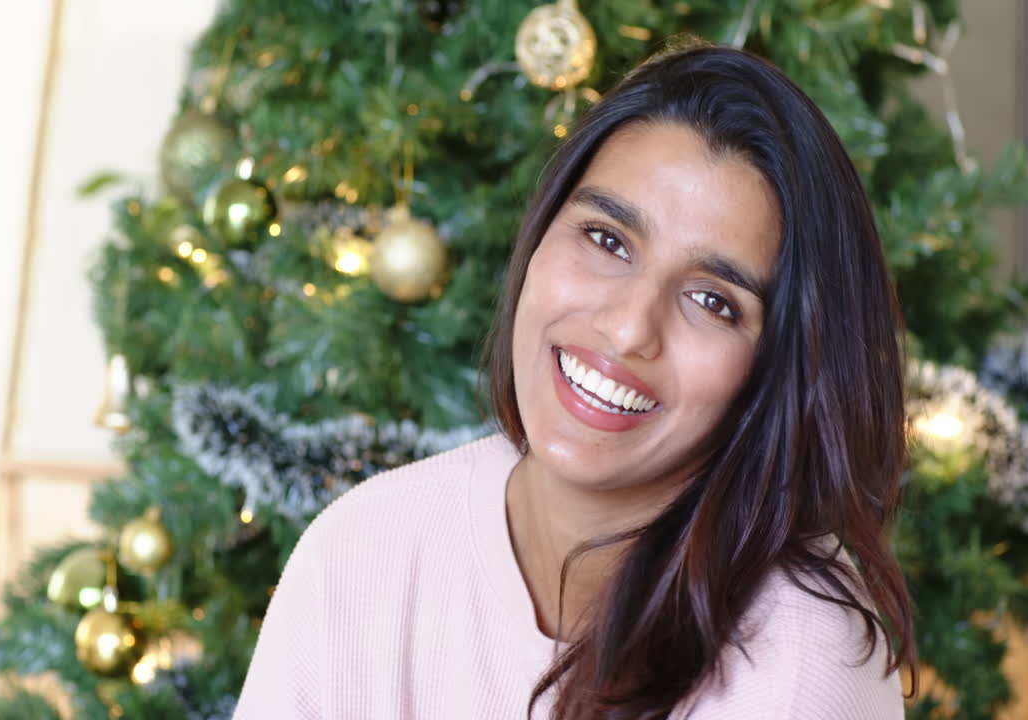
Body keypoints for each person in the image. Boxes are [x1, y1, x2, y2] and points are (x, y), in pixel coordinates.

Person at [233, 42, 914, 720]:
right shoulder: (362, 549)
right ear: (540, 233)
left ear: (776, 369)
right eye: (608, 240)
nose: (627, 330)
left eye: (713, 301)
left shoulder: (806, 667)